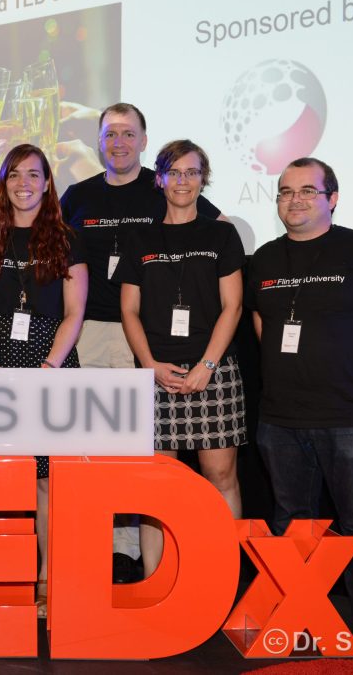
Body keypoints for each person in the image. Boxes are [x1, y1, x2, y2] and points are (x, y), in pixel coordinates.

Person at [246, 157, 353, 649]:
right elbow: (262, 322)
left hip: (350, 415)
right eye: (285, 191)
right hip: (280, 418)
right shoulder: (264, 258)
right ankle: (299, 609)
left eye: (308, 190)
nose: (295, 200)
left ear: (333, 198)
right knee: (291, 521)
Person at [59, 102, 225, 578]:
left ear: (144, 141)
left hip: (148, 337)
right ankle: (97, 545)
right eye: (110, 134)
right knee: (92, 446)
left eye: (128, 133)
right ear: (98, 142)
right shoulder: (77, 196)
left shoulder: (164, 187)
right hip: (89, 332)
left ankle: (135, 550)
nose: (119, 142)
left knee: (142, 449)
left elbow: (219, 233)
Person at [0, 143, 88, 618]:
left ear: (47, 182)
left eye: (33, 174)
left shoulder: (68, 241)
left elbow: (74, 313)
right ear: (3, 183)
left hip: (49, 363)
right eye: (14, 174)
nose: (24, 184)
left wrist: (50, 367)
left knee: (48, 481)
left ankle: (46, 580)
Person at [116, 140, 246, 579]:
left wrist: (207, 366)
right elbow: (129, 310)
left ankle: (222, 576)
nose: (183, 181)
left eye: (192, 172)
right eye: (174, 172)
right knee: (158, 485)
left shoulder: (222, 235)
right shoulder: (140, 238)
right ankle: (155, 580)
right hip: (155, 373)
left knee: (220, 475)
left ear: (203, 179)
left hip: (213, 371)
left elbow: (233, 306)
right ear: (160, 179)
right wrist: (149, 365)